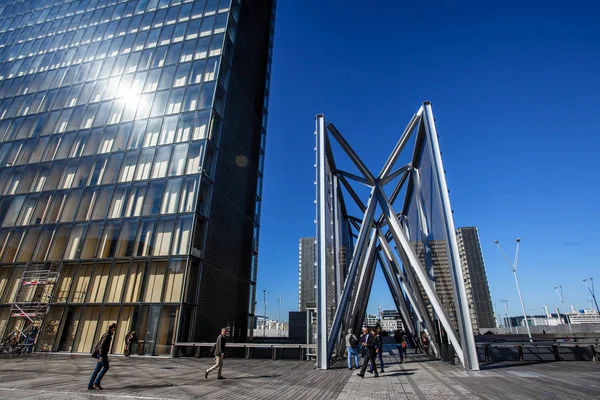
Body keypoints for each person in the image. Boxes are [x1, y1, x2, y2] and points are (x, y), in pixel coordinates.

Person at [88, 323, 117, 390]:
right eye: (114, 328)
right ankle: (96, 383)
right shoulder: (107, 335)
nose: (114, 330)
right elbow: (102, 345)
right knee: (106, 367)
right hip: (101, 354)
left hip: (102, 353)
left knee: (97, 369)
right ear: (111, 328)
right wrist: (101, 355)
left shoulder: (108, 335)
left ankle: (90, 385)